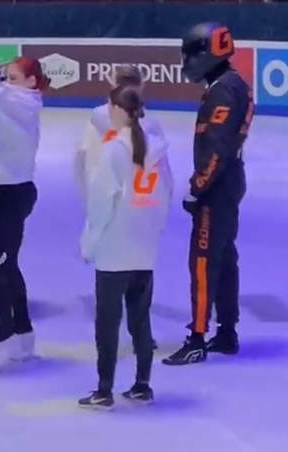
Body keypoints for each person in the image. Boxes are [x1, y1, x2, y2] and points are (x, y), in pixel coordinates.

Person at [78, 85, 173, 409]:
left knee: (107, 323)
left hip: (115, 250)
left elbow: (101, 203)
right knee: (140, 319)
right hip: (144, 249)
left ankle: (104, 390)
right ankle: (143, 385)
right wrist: (153, 231)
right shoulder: (157, 151)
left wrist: (90, 241)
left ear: (118, 110)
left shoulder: (115, 150)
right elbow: (166, 193)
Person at [163, 23, 252, 366]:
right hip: (228, 182)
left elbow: (216, 149)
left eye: (189, 54)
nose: (185, 61)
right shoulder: (233, 83)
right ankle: (227, 332)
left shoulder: (222, 91)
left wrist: (197, 188)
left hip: (217, 187)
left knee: (202, 260)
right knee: (224, 258)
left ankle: (197, 338)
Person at [74, 64, 164, 352]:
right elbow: (164, 185)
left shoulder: (101, 122)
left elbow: (83, 161)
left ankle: (108, 365)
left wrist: (90, 209)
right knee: (138, 293)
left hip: (111, 213)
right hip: (140, 218)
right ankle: (141, 345)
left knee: (110, 299)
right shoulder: (152, 130)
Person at [0, 58, 49, 374]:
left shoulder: (25, 102)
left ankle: (5, 337)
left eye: (13, 77)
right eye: (6, 77)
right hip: (4, 191)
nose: (7, 82)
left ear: (31, 81)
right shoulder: (14, 99)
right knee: (5, 265)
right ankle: (23, 332)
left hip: (14, 194)